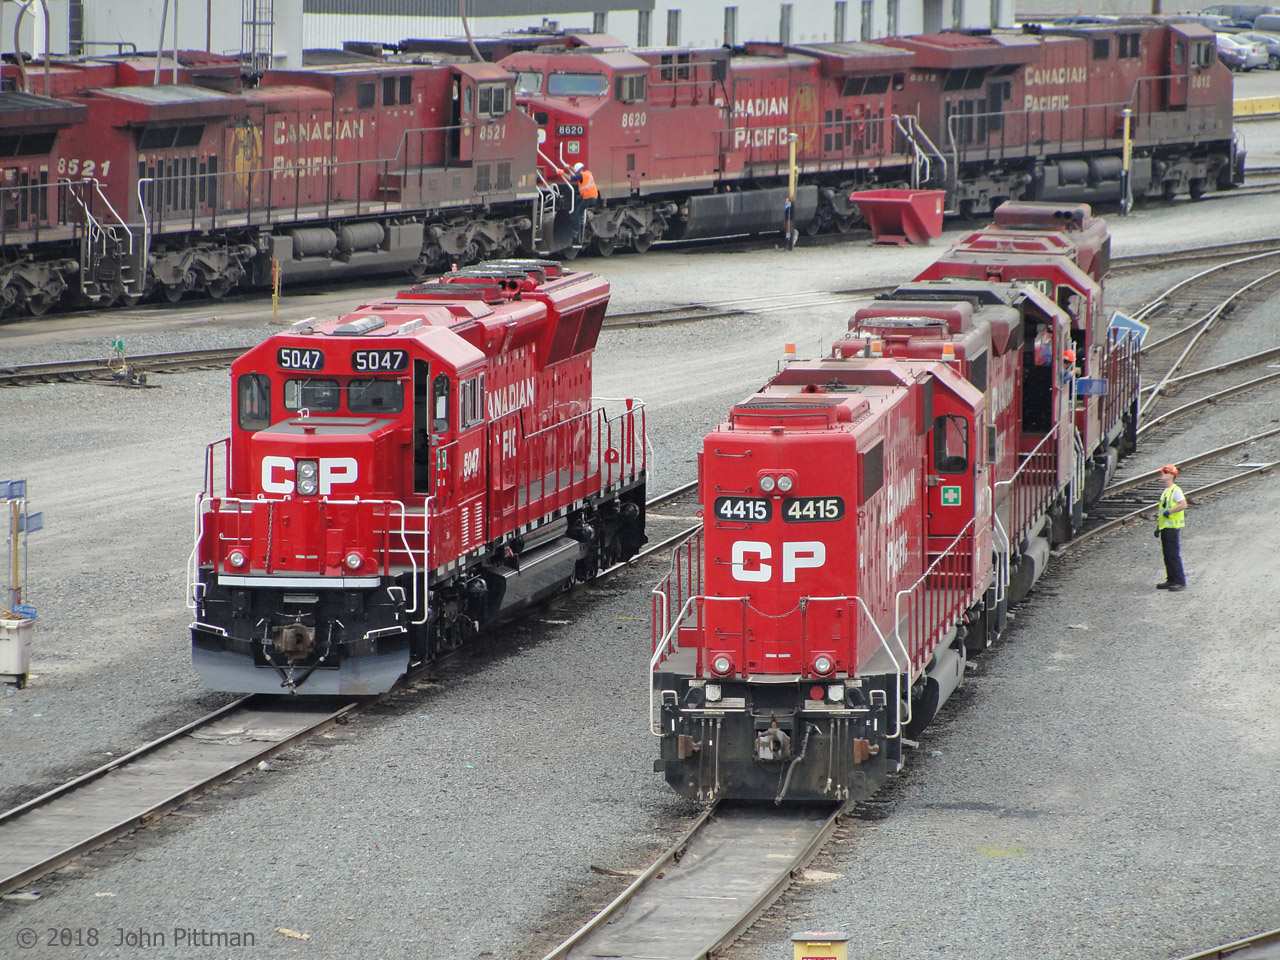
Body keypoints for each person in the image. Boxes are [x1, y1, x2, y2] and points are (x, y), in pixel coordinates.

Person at [1155, 463, 1187, 591]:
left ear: (1171, 476)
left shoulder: (1175, 491)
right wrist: (1158, 527)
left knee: (1173, 554)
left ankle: (1180, 581)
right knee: (1167, 554)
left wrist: (1171, 511)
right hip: (1165, 527)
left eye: (1165, 472)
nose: (1162, 474)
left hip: (1173, 527)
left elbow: (1183, 505)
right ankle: (1171, 579)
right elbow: (1163, 511)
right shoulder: (1166, 492)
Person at [559, 161, 597, 244]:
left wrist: (562, 173)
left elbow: (570, 178)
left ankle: (575, 234)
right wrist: (570, 167)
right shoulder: (588, 173)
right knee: (577, 198)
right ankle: (580, 214)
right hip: (592, 196)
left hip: (588, 198)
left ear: (579, 171)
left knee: (578, 213)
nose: (576, 173)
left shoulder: (581, 175)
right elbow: (578, 172)